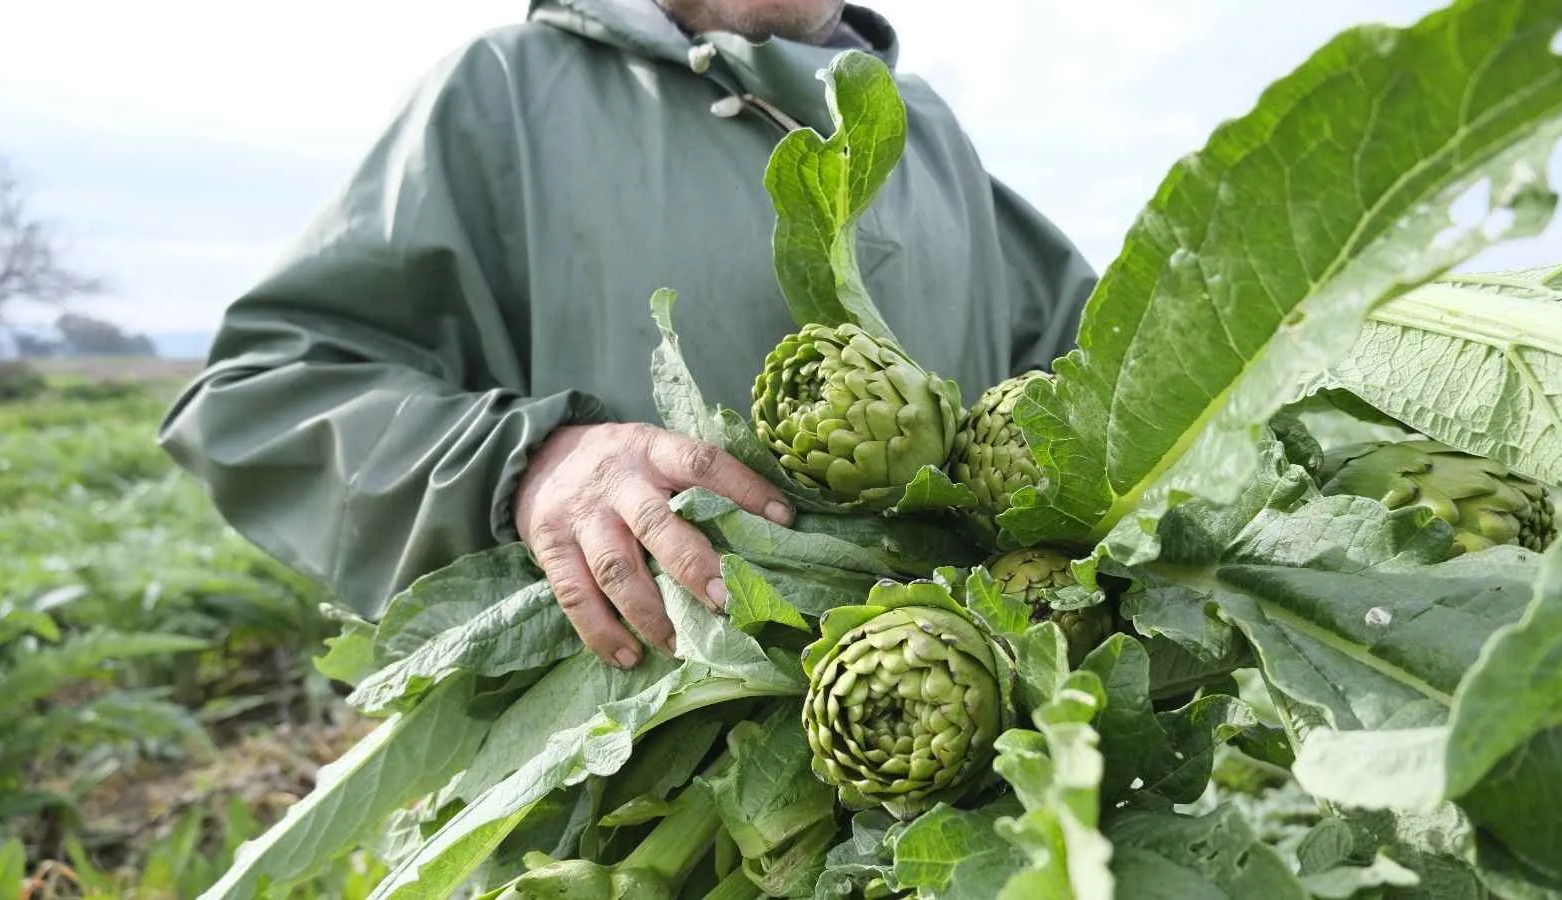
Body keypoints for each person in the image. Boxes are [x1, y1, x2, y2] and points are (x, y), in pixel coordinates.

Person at [157, 0, 1097, 671]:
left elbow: (1105, 386)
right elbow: (260, 392)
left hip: (966, 818)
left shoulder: (931, 133)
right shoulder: (504, 93)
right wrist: (521, 464)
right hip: (630, 797)